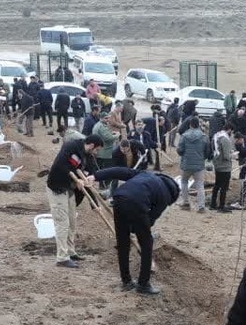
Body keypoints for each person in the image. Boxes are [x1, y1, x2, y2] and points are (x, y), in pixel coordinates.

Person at [89, 167, 180, 295]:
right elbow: (150, 219)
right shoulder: (165, 196)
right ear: (173, 195)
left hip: (119, 198)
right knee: (147, 243)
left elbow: (119, 172)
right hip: (136, 203)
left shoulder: (144, 174)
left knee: (123, 242)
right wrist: (138, 230)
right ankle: (143, 285)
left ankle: (126, 281)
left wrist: (96, 176)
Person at [45, 134, 102, 268]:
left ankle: (70, 251)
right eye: (97, 149)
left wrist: (95, 205)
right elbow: (61, 165)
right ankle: (62, 257)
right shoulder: (71, 146)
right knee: (62, 222)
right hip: (57, 187)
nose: (96, 153)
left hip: (70, 190)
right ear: (92, 145)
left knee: (72, 222)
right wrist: (78, 179)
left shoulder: (89, 156)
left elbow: (89, 182)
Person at [176, 117, 208, 211]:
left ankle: (185, 203)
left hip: (186, 163)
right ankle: (201, 206)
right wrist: (202, 158)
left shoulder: (184, 136)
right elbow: (207, 151)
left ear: (190, 125)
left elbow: (180, 150)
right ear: (198, 124)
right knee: (199, 184)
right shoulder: (204, 136)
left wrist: (183, 155)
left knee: (184, 182)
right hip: (199, 164)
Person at [210, 121, 235, 212]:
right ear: (229, 130)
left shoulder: (216, 135)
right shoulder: (225, 138)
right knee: (224, 187)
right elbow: (226, 156)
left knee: (217, 185)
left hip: (217, 163)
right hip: (224, 166)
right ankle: (221, 206)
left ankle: (213, 204)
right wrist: (233, 155)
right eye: (231, 132)